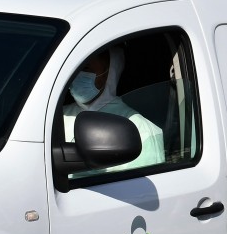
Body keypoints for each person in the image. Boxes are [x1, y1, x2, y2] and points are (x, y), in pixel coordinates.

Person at [64, 45, 165, 174]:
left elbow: (141, 190)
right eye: (74, 69)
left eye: (85, 68)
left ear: (109, 72)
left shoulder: (141, 129)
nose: (77, 75)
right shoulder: (54, 116)